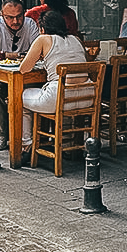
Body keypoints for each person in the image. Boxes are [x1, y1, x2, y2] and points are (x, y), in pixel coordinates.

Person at [18, 10, 92, 157]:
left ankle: (26, 145)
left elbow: (23, 69)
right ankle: (71, 144)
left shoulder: (43, 39)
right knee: (52, 96)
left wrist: (39, 56)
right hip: (87, 97)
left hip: (59, 98)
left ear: (42, 28)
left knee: (19, 98)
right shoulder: (76, 39)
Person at [0, 0, 41, 150]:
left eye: (19, 16)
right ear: (2, 15)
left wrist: (4, 54)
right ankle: (3, 132)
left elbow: (38, 53)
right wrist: (18, 55)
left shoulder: (30, 24)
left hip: (23, 73)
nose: (15, 21)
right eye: (10, 17)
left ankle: (27, 136)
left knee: (32, 91)